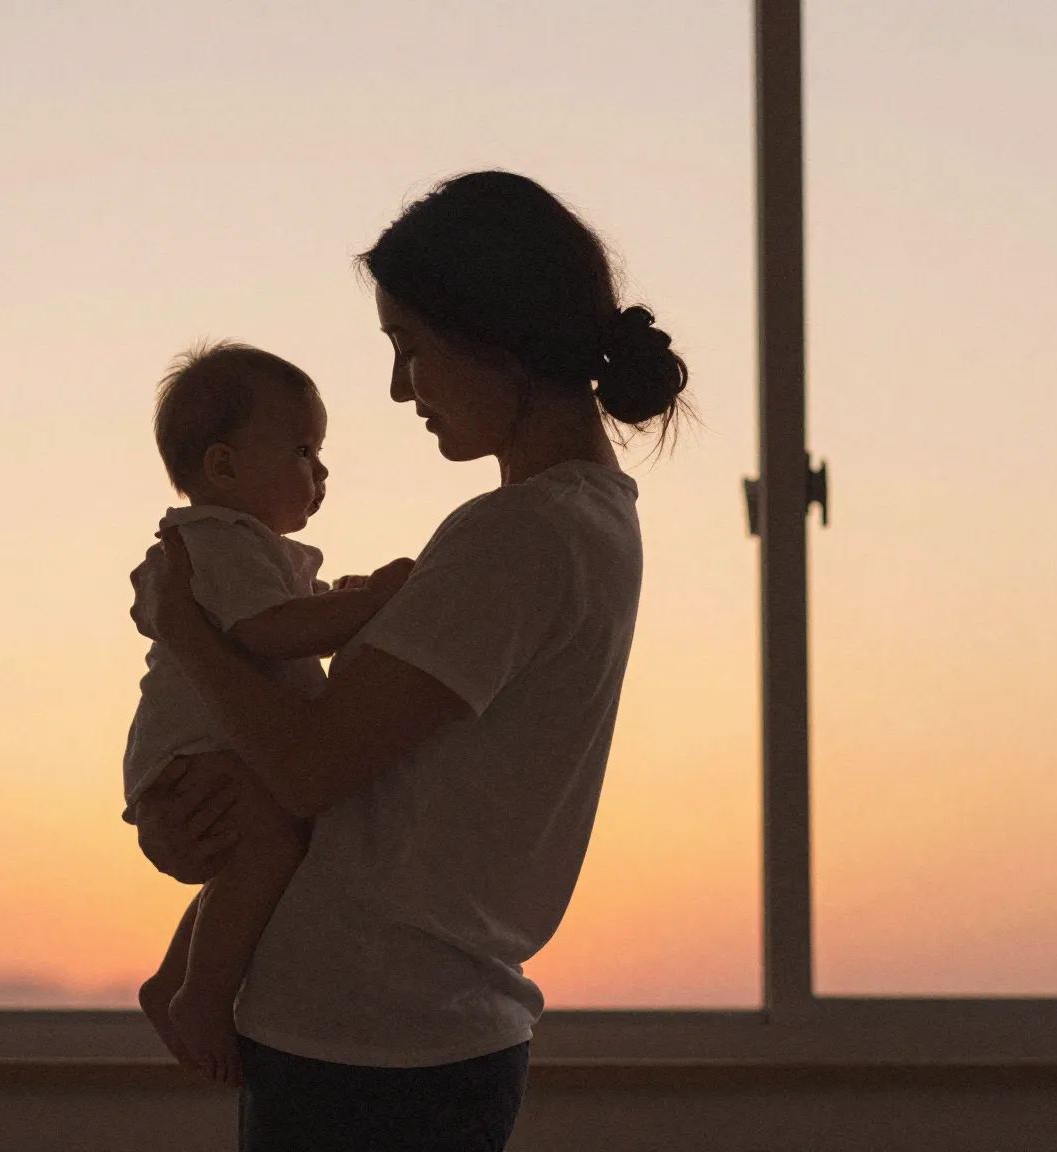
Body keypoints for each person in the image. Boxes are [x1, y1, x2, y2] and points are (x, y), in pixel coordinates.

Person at [126, 170, 690, 1151]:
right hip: (391, 1033)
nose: (399, 387)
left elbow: (305, 766)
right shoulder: (571, 524)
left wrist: (182, 629)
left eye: (410, 349)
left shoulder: (523, 533)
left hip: (373, 1045)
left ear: (490, 335)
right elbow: (354, 791)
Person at [125, 341, 416, 1085]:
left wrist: (338, 600)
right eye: (302, 449)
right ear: (223, 468)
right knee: (270, 848)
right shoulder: (219, 542)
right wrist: (368, 607)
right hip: (202, 748)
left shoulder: (240, 551)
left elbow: (275, 618)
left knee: (268, 849)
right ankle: (202, 996)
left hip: (209, 746)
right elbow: (269, 633)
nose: (320, 472)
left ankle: (176, 983)